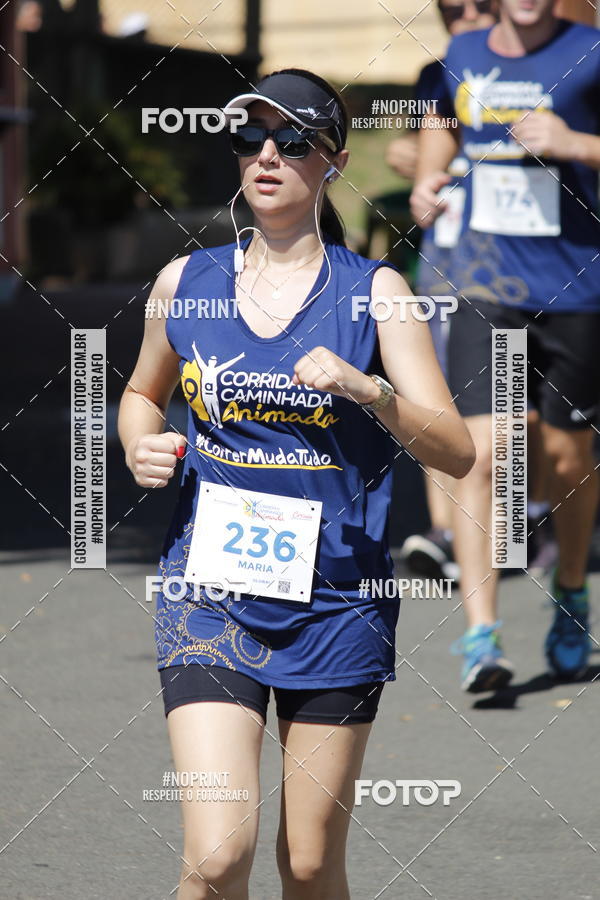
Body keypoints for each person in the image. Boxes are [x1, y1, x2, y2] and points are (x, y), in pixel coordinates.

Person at [118, 68, 475, 899]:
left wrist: (369, 390)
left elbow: (456, 452)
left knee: (309, 865)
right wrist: (141, 443)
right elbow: (142, 393)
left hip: (338, 600)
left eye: (294, 140)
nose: (267, 154)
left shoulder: (378, 294)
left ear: (334, 161)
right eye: (251, 137)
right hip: (209, 589)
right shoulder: (187, 283)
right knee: (216, 856)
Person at [410, 0, 600, 692]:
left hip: (578, 285)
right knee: (482, 452)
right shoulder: (460, 58)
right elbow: (441, 135)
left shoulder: (593, 51)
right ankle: (480, 634)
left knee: (564, 453)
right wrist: (428, 184)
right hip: (483, 281)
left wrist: (577, 143)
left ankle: (572, 593)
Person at [388, 0, 498, 584]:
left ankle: (517, 517)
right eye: (451, 9)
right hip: (445, 259)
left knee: (509, 404)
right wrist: (405, 153)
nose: (465, 18)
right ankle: (444, 530)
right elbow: (411, 147)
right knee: (439, 392)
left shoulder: (549, 65)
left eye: (478, 5)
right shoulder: (436, 76)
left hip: (519, 266)